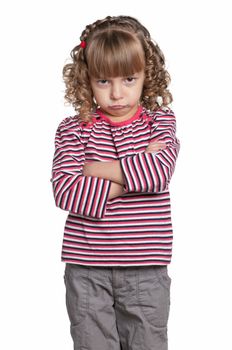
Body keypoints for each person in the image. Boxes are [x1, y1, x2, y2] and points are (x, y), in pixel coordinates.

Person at [52, 15, 180, 350]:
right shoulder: (73, 129)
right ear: (87, 80)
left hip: (146, 267)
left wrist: (93, 168)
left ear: (145, 75)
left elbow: (159, 173)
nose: (117, 93)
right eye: (104, 81)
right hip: (87, 267)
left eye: (129, 78)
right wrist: (133, 177)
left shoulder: (160, 121)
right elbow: (65, 189)